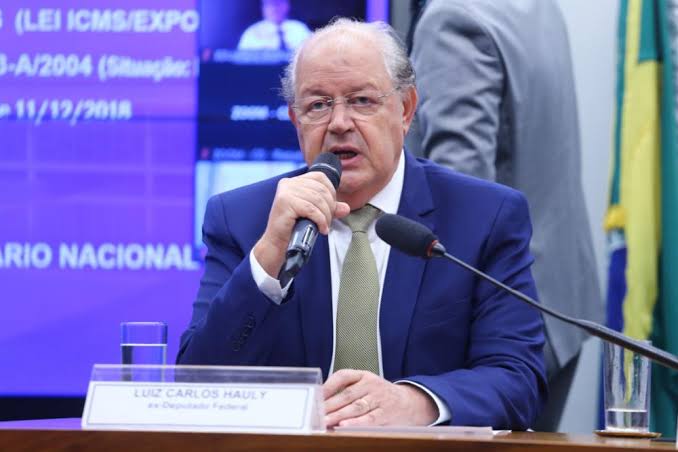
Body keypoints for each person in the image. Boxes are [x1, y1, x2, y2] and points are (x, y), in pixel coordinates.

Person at [178, 18, 546, 429]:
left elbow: (519, 380)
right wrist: (267, 260)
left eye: (361, 101)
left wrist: (414, 403)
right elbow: (197, 384)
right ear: (296, 122)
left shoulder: (483, 216)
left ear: (405, 109)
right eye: (318, 105)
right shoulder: (242, 218)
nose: (339, 123)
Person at [405, 0, 603, 431]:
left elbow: (461, 198)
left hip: (503, 324)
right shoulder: (537, 7)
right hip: (561, 299)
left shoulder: (452, 20)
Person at [237, 0, 310, 51]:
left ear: (287, 5)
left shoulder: (300, 29)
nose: (274, 8)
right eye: (270, 4)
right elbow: (241, 61)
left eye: (278, 3)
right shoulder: (251, 32)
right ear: (263, 8)